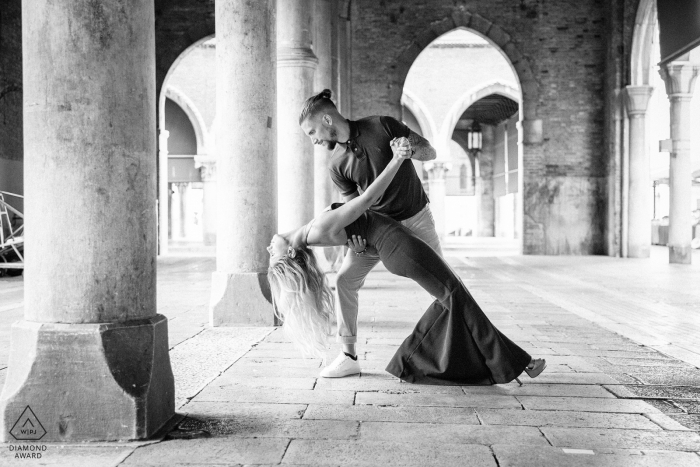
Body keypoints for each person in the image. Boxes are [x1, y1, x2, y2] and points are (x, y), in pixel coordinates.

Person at [267, 137, 546, 386]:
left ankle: (413, 358)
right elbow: (367, 200)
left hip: (395, 245)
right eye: (273, 256)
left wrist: (359, 241)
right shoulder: (316, 231)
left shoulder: (313, 231)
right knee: (453, 293)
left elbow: (359, 226)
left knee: (451, 297)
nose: (269, 248)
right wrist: (398, 159)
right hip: (399, 247)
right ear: (290, 253)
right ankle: (517, 363)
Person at [299, 89, 442, 377]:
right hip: (377, 228)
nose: (313, 140)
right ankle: (349, 355)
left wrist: (408, 149)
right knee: (344, 281)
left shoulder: (382, 125)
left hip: (417, 219)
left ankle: (477, 346)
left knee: (447, 286)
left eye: (313, 131)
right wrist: (355, 236)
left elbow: (430, 152)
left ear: (327, 119)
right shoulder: (336, 164)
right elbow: (352, 207)